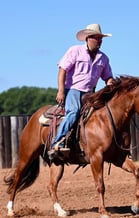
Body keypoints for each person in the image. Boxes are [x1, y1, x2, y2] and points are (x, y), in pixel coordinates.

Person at [48, 23, 115, 156]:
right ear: (88, 38)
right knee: (73, 112)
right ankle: (57, 142)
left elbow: (108, 77)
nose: (100, 41)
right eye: (97, 38)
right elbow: (62, 70)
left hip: (91, 93)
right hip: (73, 89)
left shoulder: (104, 58)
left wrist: (111, 84)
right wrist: (61, 91)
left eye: (101, 39)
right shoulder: (75, 51)